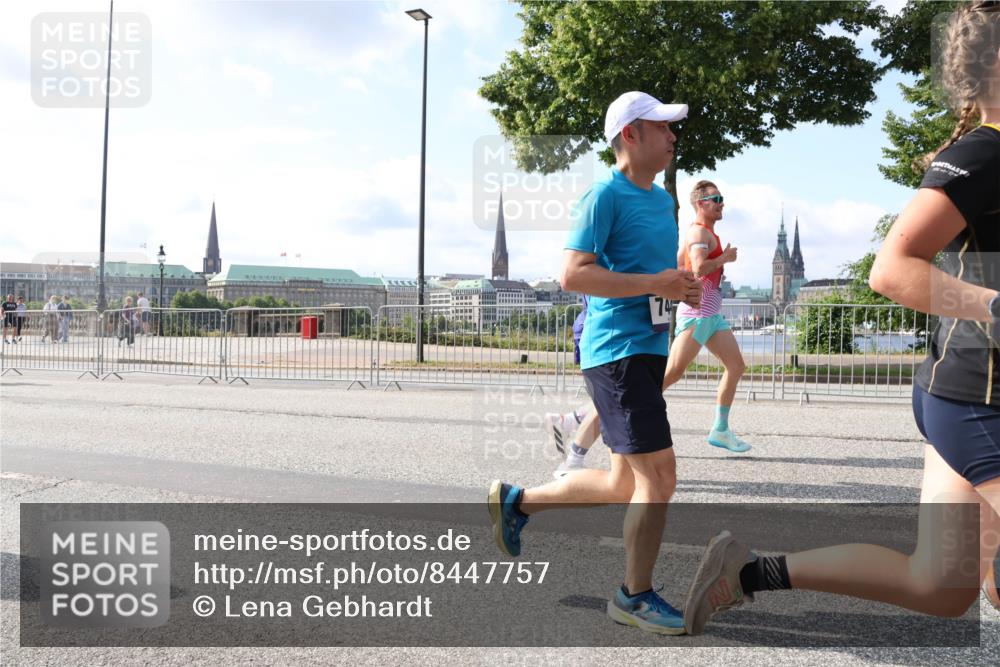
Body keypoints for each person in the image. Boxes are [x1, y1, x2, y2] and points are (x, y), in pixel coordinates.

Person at [683, 2, 1000, 635]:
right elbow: (891, 268)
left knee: (940, 586)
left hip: (963, 392)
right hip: (977, 399)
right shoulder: (986, 153)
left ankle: (747, 573)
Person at [489, 91, 702, 635]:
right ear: (631, 134)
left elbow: (652, 276)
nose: (673, 136)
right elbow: (572, 274)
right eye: (662, 127)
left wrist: (681, 287)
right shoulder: (602, 195)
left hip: (648, 348)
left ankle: (518, 502)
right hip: (616, 352)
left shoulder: (663, 201)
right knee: (660, 476)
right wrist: (656, 284)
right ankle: (634, 596)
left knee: (624, 484)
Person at [547, 181, 753, 477]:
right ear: (701, 203)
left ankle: (720, 428)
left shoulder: (706, 233)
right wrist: (723, 259)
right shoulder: (697, 233)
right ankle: (576, 436)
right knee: (652, 385)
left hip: (711, 315)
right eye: (716, 198)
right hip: (696, 315)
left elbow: (685, 268)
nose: (722, 203)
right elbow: (697, 268)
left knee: (735, 366)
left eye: (722, 198)